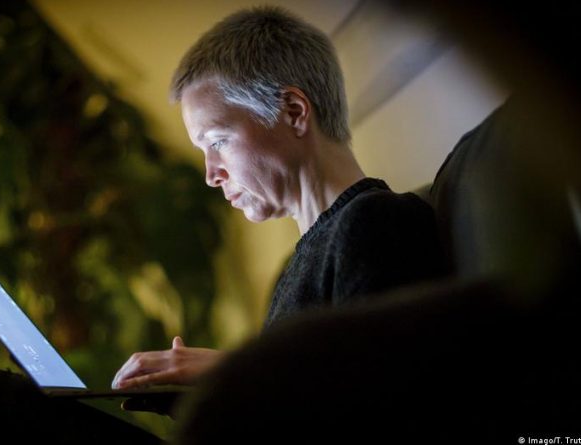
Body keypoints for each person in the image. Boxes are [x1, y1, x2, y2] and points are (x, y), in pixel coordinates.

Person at [112, 6, 446, 394]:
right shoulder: (295, 266)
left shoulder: (376, 221)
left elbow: (384, 396)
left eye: (218, 142)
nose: (211, 174)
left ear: (293, 112)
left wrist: (238, 371)